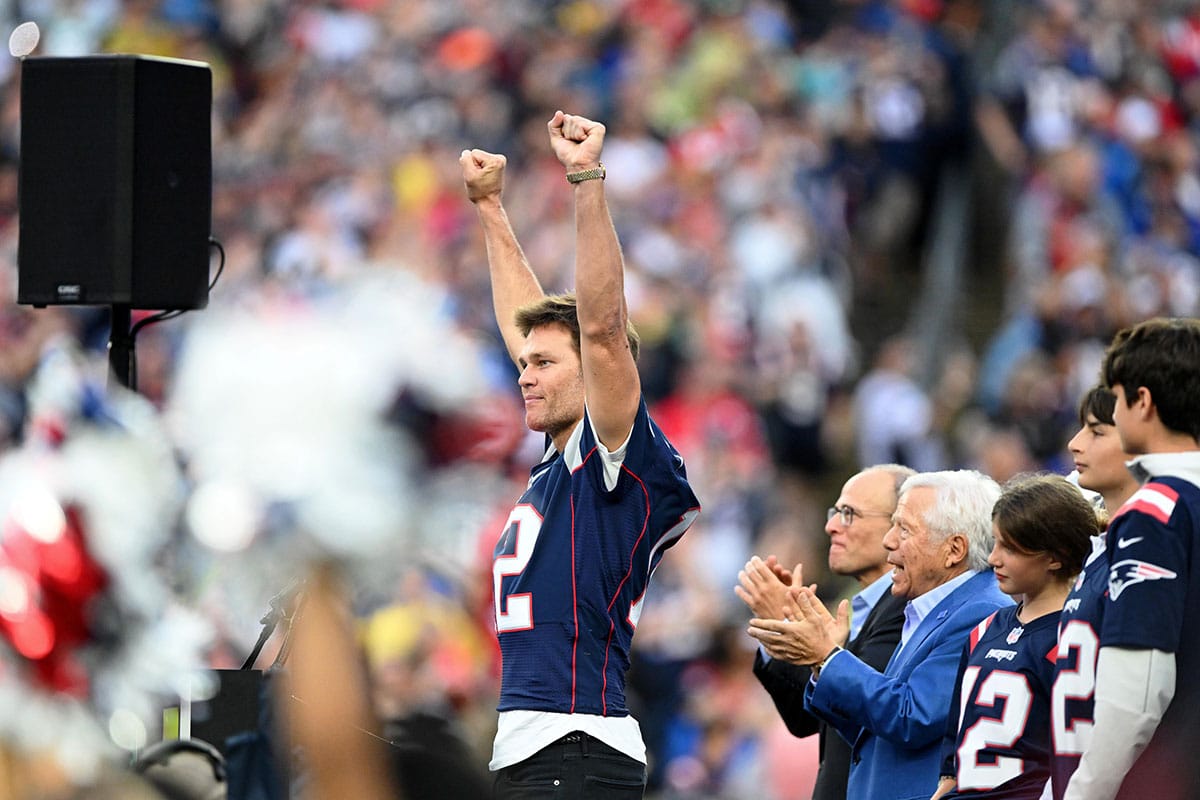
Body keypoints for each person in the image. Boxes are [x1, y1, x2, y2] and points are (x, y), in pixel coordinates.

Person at [460, 112, 701, 800]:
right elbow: (527, 328)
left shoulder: (613, 461)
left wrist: (586, 179)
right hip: (539, 752)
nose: (524, 374)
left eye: (542, 364)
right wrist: (490, 209)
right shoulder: (560, 458)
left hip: (575, 747)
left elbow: (599, 329)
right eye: (523, 364)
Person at [747, 470, 1012, 800]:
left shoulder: (980, 610)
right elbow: (868, 729)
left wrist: (826, 657)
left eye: (904, 529)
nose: (890, 541)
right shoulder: (929, 605)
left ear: (954, 550)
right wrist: (821, 662)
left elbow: (912, 716)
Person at [1052, 318, 1200, 800]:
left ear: (1142, 401)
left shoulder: (1155, 510)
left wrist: (1084, 793)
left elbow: (1137, 690)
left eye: (1114, 401)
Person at [736, 463, 914, 800]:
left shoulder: (907, 611)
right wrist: (785, 632)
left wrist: (790, 624)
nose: (831, 526)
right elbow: (808, 722)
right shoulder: (863, 608)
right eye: (835, 511)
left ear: (900, 526)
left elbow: (856, 712)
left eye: (849, 514)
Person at [931, 474, 1097, 800]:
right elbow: (955, 753)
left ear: (1055, 555)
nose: (993, 558)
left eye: (1010, 548)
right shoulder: (985, 629)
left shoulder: (1073, 637)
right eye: (995, 542)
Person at [1066, 385, 1139, 522]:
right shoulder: (1066, 507)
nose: (1073, 445)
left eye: (1097, 433)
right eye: (1082, 428)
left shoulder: (1169, 528)